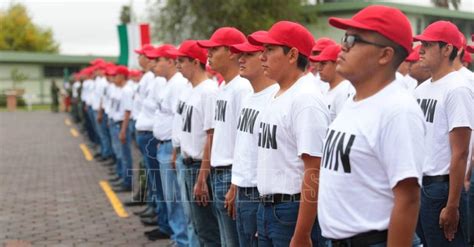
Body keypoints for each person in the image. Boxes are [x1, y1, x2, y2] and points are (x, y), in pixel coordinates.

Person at [318, 5, 426, 246]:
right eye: (345, 37)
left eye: (354, 39)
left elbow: (408, 197)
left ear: (385, 55)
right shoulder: (355, 100)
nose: (343, 46)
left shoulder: (397, 110)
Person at [248, 21, 330, 247]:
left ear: (292, 54)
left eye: (270, 50)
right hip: (269, 209)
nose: (262, 56)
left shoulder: (306, 99)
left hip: (291, 211)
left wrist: (302, 233)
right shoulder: (276, 93)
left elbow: (314, 170)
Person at [414, 20, 473, 246]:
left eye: (427, 45)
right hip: (420, 186)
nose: (421, 50)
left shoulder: (457, 88)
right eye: (421, 44)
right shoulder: (421, 89)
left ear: (447, 49)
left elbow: (460, 152)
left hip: (441, 188)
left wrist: (453, 204)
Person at [196, 27, 252, 247]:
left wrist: (236, 184)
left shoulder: (242, 87)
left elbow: (245, 140)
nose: (208, 53)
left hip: (231, 174)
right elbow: (216, 134)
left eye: (214, 48)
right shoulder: (223, 85)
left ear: (231, 52)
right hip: (220, 173)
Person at [228, 31, 279, 247]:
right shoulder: (249, 97)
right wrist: (235, 185)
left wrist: (262, 204)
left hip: (260, 195)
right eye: (240, 54)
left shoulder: (275, 97)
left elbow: (270, 155)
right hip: (243, 191)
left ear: (264, 56)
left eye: (248, 55)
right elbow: (244, 148)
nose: (241, 59)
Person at [169, 39, 222, 246]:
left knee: (207, 229)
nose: (178, 65)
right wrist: (177, 153)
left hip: (200, 166)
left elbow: (211, 135)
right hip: (187, 160)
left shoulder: (208, 91)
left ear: (196, 62)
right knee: (195, 223)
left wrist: (202, 175)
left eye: (182, 60)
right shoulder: (188, 89)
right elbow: (182, 127)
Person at [309, 44, 355, 121]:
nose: (319, 68)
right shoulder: (325, 89)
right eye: (319, 63)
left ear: (337, 64)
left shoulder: (345, 90)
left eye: (323, 64)